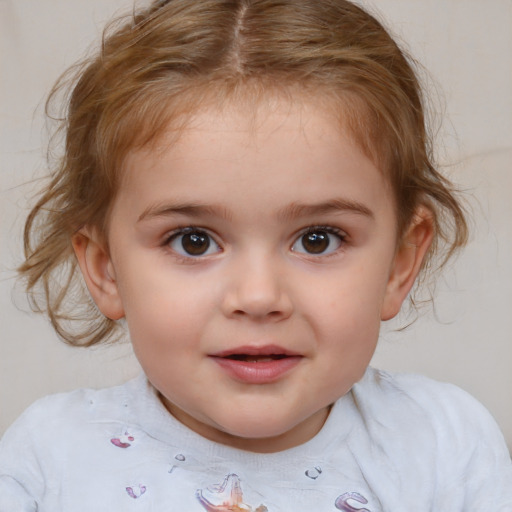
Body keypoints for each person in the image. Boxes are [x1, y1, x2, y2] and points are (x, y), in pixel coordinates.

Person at [1, 0, 511, 510]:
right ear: (105, 267)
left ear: (400, 263)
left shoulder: (445, 447)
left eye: (318, 239)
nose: (259, 297)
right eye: (193, 241)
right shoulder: (50, 461)